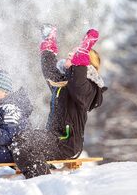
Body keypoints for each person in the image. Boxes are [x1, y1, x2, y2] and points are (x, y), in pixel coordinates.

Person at [10, 24, 107, 178]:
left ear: (85, 62)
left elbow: (78, 84)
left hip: (68, 143)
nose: (70, 53)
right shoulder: (63, 82)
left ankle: (41, 181)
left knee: (24, 142)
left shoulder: (88, 89)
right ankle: (42, 175)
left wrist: (83, 52)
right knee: (20, 138)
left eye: (76, 53)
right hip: (53, 137)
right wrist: (48, 44)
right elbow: (49, 70)